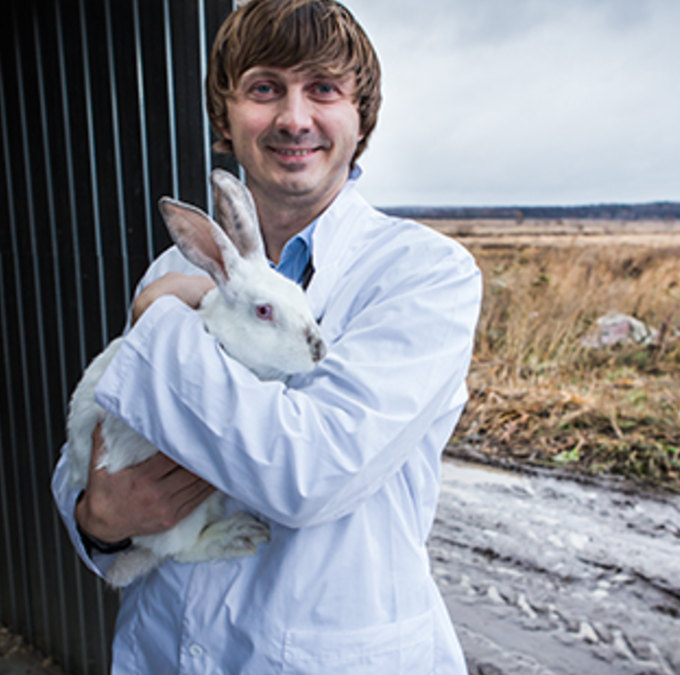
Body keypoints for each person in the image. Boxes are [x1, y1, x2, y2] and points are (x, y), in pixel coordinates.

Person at [52, 0, 482, 672]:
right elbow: (99, 433)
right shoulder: (177, 267)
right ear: (224, 116)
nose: (293, 117)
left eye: (324, 89)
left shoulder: (424, 274)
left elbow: (308, 472)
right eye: (263, 88)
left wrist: (160, 316)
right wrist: (96, 522)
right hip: (165, 646)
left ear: (360, 114)